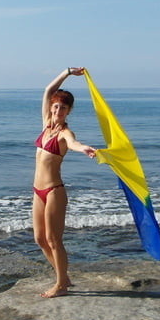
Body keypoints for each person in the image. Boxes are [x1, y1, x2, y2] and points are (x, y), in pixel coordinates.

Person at [32, 67, 97, 298]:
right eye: (56, 106)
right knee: (39, 239)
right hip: (37, 190)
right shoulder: (45, 126)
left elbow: (73, 143)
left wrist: (84, 149)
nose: (58, 110)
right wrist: (67, 72)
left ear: (69, 112)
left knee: (53, 239)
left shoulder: (64, 133)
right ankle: (64, 277)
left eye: (63, 108)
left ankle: (60, 285)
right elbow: (48, 89)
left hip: (53, 191)